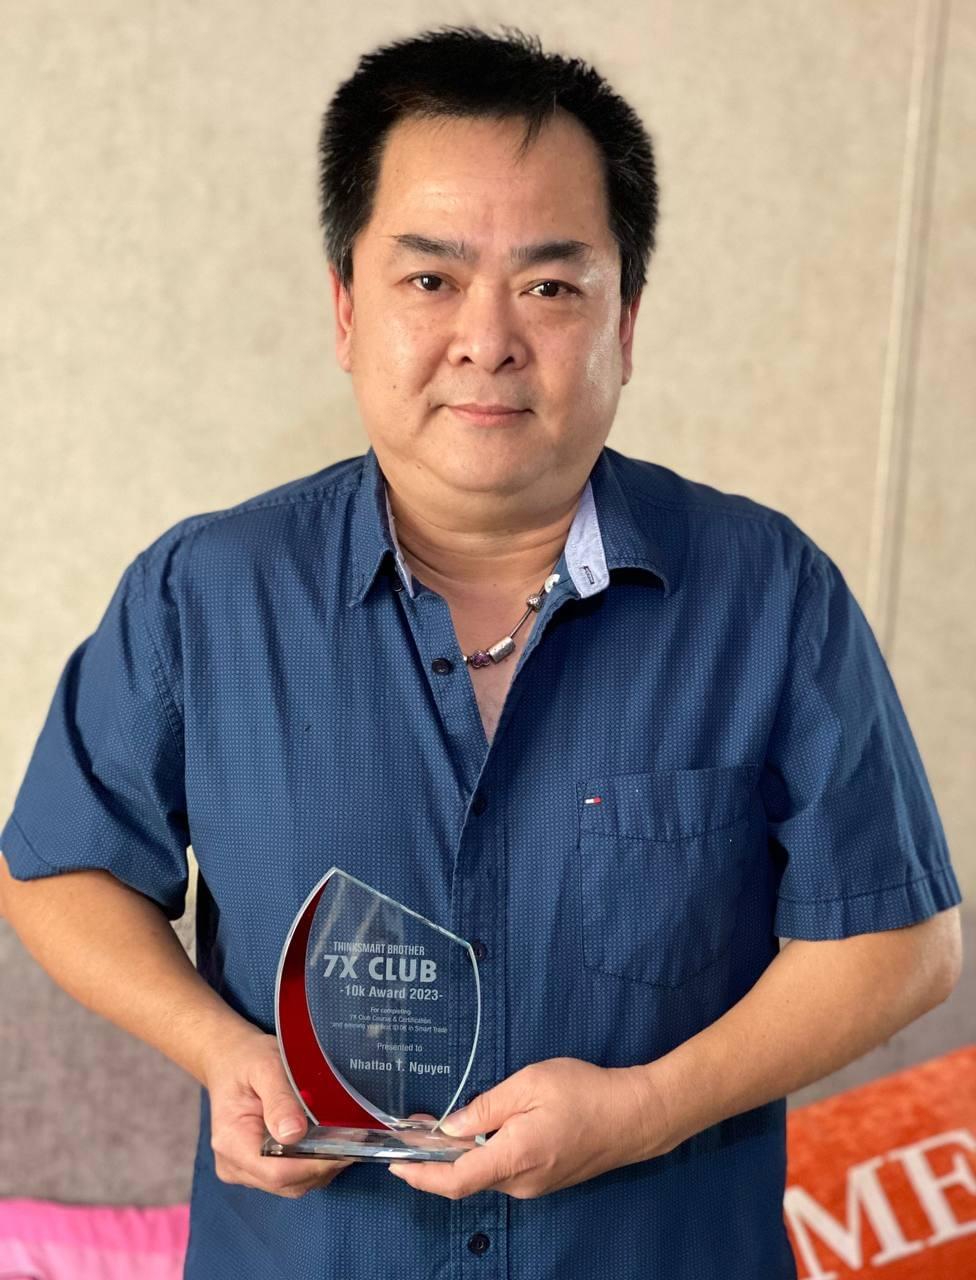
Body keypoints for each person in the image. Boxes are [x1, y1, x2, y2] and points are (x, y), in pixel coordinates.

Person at [0, 23, 963, 1280]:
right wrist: (220, 1050)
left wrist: (647, 1107)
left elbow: (900, 942)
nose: (489, 338)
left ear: (626, 321)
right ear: (346, 309)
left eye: (551, 286)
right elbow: (58, 870)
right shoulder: (204, 593)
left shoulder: (770, 594)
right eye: (430, 279)